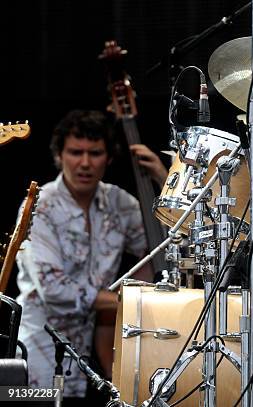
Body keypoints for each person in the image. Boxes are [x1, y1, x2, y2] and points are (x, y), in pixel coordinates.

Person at [15, 110, 168, 402]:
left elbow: (160, 252)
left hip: (95, 348)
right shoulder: (39, 205)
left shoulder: (120, 203)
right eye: (75, 152)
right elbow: (54, 289)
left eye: (95, 153)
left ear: (109, 158)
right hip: (39, 346)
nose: (84, 163)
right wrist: (130, 302)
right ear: (59, 156)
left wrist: (163, 178)